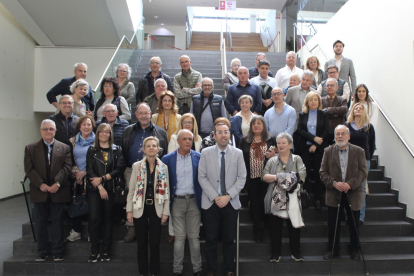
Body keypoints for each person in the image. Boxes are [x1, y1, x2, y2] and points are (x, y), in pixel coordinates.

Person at [198, 122, 247, 276]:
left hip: (230, 203)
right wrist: (216, 197)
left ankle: (228, 270)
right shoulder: (205, 153)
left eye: (226, 132)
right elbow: (202, 177)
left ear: (230, 135)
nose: (223, 135)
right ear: (214, 136)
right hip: (210, 203)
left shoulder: (238, 153)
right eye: (220, 132)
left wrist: (228, 196)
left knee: (229, 240)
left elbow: (242, 177)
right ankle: (211, 271)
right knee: (210, 240)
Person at [24, 119, 71, 262]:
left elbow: (67, 167)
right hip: (40, 191)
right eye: (45, 129)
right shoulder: (30, 148)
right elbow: (29, 169)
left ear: (55, 131)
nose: (48, 131)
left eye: (51, 129)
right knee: (40, 223)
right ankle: (42, 252)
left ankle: (58, 252)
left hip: (58, 190)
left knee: (58, 223)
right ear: (40, 131)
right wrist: (40, 184)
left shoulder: (64, 148)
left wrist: (57, 183)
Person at [121, 102, 168, 243]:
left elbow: (163, 150)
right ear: (136, 115)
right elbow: (124, 149)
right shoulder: (128, 130)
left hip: (154, 168)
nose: (143, 116)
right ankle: (132, 227)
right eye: (140, 113)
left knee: (151, 195)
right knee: (133, 193)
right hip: (132, 168)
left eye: (146, 113)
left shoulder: (160, 132)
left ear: (150, 114)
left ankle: (148, 227)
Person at [320, 125, 368, 261]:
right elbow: (322, 173)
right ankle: (333, 249)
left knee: (353, 224)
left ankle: (355, 249)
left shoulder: (359, 151)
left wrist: (350, 184)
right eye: (337, 134)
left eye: (343, 134)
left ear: (348, 136)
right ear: (334, 136)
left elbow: (363, 172)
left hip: (353, 193)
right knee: (333, 224)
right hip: (334, 193)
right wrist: (334, 183)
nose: (340, 136)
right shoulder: (328, 151)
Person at [126, 136, 170, 276]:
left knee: (155, 243)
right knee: (142, 244)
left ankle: (155, 272)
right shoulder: (136, 166)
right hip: (140, 208)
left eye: (154, 146)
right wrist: (129, 210)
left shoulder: (164, 167)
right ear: (144, 149)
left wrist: (165, 212)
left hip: (157, 208)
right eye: (148, 146)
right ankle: (143, 272)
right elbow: (132, 190)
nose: (151, 148)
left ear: (158, 149)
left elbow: (167, 191)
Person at [162, 130, 203, 276]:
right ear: (178, 141)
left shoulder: (198, 157)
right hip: (177, 201)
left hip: (194, 201)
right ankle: (177, 270)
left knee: (194, 237)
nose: (187, 142)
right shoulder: (167, 159)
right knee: (179, 238)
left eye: (190, 139)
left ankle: (197, 269)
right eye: (184, 139)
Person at [262, 132, 306, 262]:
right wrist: (281, 177)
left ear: (290, 145)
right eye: (278, 143)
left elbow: (301, 176)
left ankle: (296, 253)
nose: (280, 145)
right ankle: (275, 253)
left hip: (293, 198)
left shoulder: (297, 159)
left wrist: (276, 178)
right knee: (275, 228)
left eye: (283, 143)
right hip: (275, 199)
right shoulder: (272, 160)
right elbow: (265, 177)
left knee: (294, 227)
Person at [86, 123, 126, 262]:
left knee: (108, 220)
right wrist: (100, 187)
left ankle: (105, 250)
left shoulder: (117, 149)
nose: (104, 134)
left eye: (107, 132)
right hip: (95, 190)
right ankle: (94, 250)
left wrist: (103, 179)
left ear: (111, 134)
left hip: (111, 188)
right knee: (94, 219)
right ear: (97, 134)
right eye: (102, 131)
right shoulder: (91, 150)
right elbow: (90, 170)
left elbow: (119, 169)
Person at [238, 116, 277, 242]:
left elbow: (278, 158)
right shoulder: (245, 139)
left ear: (264, 125)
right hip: (251, 178)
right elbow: (239, 158)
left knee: (264, 203)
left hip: (267, 178)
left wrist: (273, 156)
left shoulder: (271, 139)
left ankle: (266, 227)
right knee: (254, 205)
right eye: (253, 123)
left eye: (259, 123)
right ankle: (257, 231)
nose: (256, 125)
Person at [293, 92, 329, 210]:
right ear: (307, 102)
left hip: (319, 148)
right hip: (305, 147)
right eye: (311, 100)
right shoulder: (303, 114)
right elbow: (300, 130)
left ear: (319, 102)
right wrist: (313, 139)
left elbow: (325, 131)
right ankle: (306, 197)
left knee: (319, 173)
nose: (313, 102)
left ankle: (318, 198)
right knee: (305, 173)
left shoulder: (324, 114)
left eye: (315, 99)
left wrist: (315, 145)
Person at [345, 103, 376, 225]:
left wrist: (368, 157)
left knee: (362, 188)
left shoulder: (369, 127)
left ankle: (360, 217)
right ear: (352, 111)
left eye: (361, 108)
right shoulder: (346, 126)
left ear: (364, 112)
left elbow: (372, 145)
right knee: (348, 187)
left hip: (364, 161)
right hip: (348, 159)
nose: (358, 110)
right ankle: (348, 215)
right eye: (356, 108)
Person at [67, 115, 96, 242]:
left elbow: (97, 160)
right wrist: (77, 173)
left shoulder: (98, 141)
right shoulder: (72, 141)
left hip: (91, 177)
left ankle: (92, 232)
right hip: (76, 178)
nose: (86, 127)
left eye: (89, 124)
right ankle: (76, 230)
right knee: (76, 203)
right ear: (79, 127)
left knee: (92, 206)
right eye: (84, 124)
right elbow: (68, 160)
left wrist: (85, 172)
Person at [321, 78, 348, 145]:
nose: (330, 87)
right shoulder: (320, 100)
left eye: (332, 85)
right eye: (328, 85)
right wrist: (337, 113)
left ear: (337, 87)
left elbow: (344, 110)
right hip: (324, 132)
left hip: (339, 133)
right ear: (325, 87)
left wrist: (328, 110)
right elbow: (320, 113)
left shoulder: (342, 99)